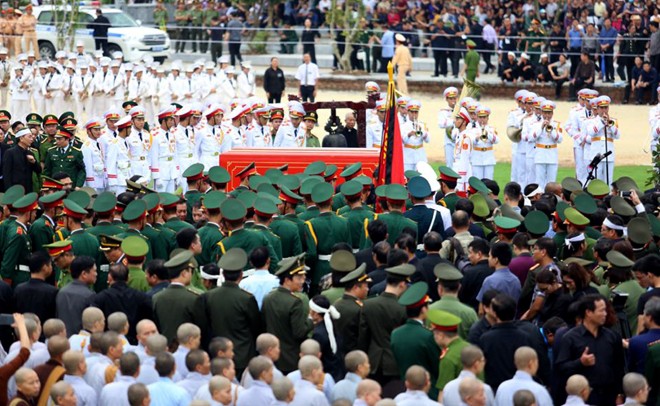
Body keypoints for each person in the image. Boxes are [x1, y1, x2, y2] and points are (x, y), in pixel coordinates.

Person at [555, 294, 625, 405]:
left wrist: (620, 394)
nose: (605, 314)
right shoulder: (570, 338)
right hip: (583, 398)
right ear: (588, 312)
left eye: (605, 311)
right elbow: (561, 367)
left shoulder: (613, 337)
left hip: (609, 397)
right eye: (601, 311)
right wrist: (580, 362)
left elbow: (619, 368)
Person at [3, 128, 40, 192]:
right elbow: (7, 174)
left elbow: (38, 170)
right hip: (15, 189)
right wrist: (9, 191)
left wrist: (34, 162)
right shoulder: (10, 152)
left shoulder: (30, 153)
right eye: (29, 136)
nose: (32, 139)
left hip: (28, 189)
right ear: (21, 138)